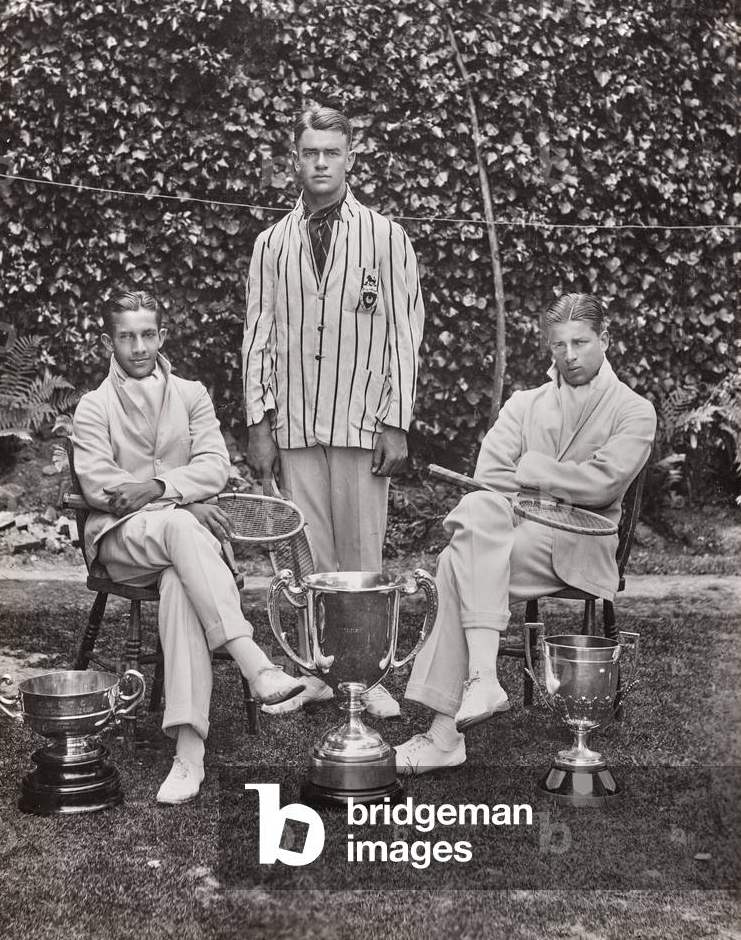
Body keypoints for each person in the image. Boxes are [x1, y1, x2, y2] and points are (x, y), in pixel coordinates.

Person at [394, 293, 657, 774]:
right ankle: (480, 682)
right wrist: (554, 485)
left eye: (580, 342)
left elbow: (603, 484)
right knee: (478, 511)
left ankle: (448, 731)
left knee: (456, 561)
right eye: (559, 345)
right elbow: (490, 477)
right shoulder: (525, 403)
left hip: (580, 543)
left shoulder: (634, 410)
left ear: (605, 339)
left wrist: (532, 469)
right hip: (513, 529)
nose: (569, 355)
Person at [72, 289, 304, 805]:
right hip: (121, 541)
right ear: (109, 342)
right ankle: (253, 660)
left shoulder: (192, 394)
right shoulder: (93, 407)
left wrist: (159, 489)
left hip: (183, 552)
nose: (138, 347)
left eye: (147, 335)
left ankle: (188, 754)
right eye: (126, 337)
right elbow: (100, 487)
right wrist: (182, 504)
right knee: (179, 529)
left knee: (180, 585)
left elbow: (215, 466)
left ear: (162, 336)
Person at [242, 105, 425, 718]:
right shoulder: (271, 244)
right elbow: (257, 338)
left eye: (332, 152)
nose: (320, 163)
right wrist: (259, 424)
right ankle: (318, 670)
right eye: (310, 152)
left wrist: (396, 421)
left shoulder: (386, 237)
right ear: (294, 161)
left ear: (350, 159)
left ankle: (367, 674)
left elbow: (404, 336)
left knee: (362, 557)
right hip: (294, 423)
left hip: (361, 420)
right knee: (309, 557)